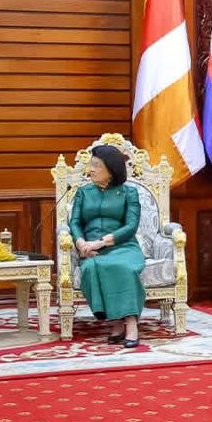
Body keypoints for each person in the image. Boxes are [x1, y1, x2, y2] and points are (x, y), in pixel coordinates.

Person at [69, 145, 146, 347]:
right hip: (91, 250)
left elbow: (131, 226)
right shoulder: (83, 193)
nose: (91, 169)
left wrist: (102, 242)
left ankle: (131, 323)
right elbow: (74, 222)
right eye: (91, 165)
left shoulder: (129, 193)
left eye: (96, 165)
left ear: (111, 170)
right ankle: (115, 322)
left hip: (123, 247)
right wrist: (81, 243)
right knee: (91, 267)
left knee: (123, 267)